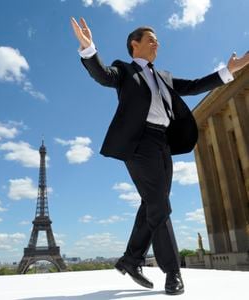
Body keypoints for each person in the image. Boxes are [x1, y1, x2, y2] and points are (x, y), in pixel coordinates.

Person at [71, 17, 249, 295]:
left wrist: (229, 71)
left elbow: (193, 85)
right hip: (139, 143)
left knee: (153, 204)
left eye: (158, 40)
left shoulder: (164, 76)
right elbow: (103, 75)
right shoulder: (125, 70)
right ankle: (172, 272)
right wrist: (88, 48)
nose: (157, 44)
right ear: (135, 44)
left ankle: (131, 259)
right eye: (151, 40)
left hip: (163, 143)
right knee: (160, 206)